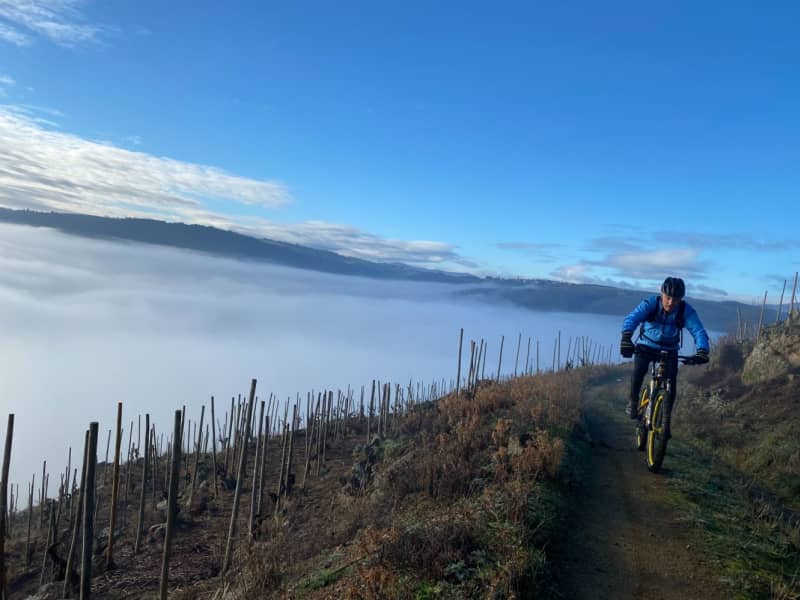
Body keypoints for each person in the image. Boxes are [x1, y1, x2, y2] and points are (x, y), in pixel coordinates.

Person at [620, 277, 710, 437]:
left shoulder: (685, 310)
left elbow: (698, 330)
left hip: (670, 349)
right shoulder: (651, 304)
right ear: (661, 293)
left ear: (681, 299)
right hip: (646, 345)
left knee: (671, 382)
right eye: (668, 297)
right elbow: (632, 318)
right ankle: (633, 401)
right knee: (639, 370)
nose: (670, 302)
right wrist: (626, 337)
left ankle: (666, 420)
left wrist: (702, 350)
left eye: (675, 299)